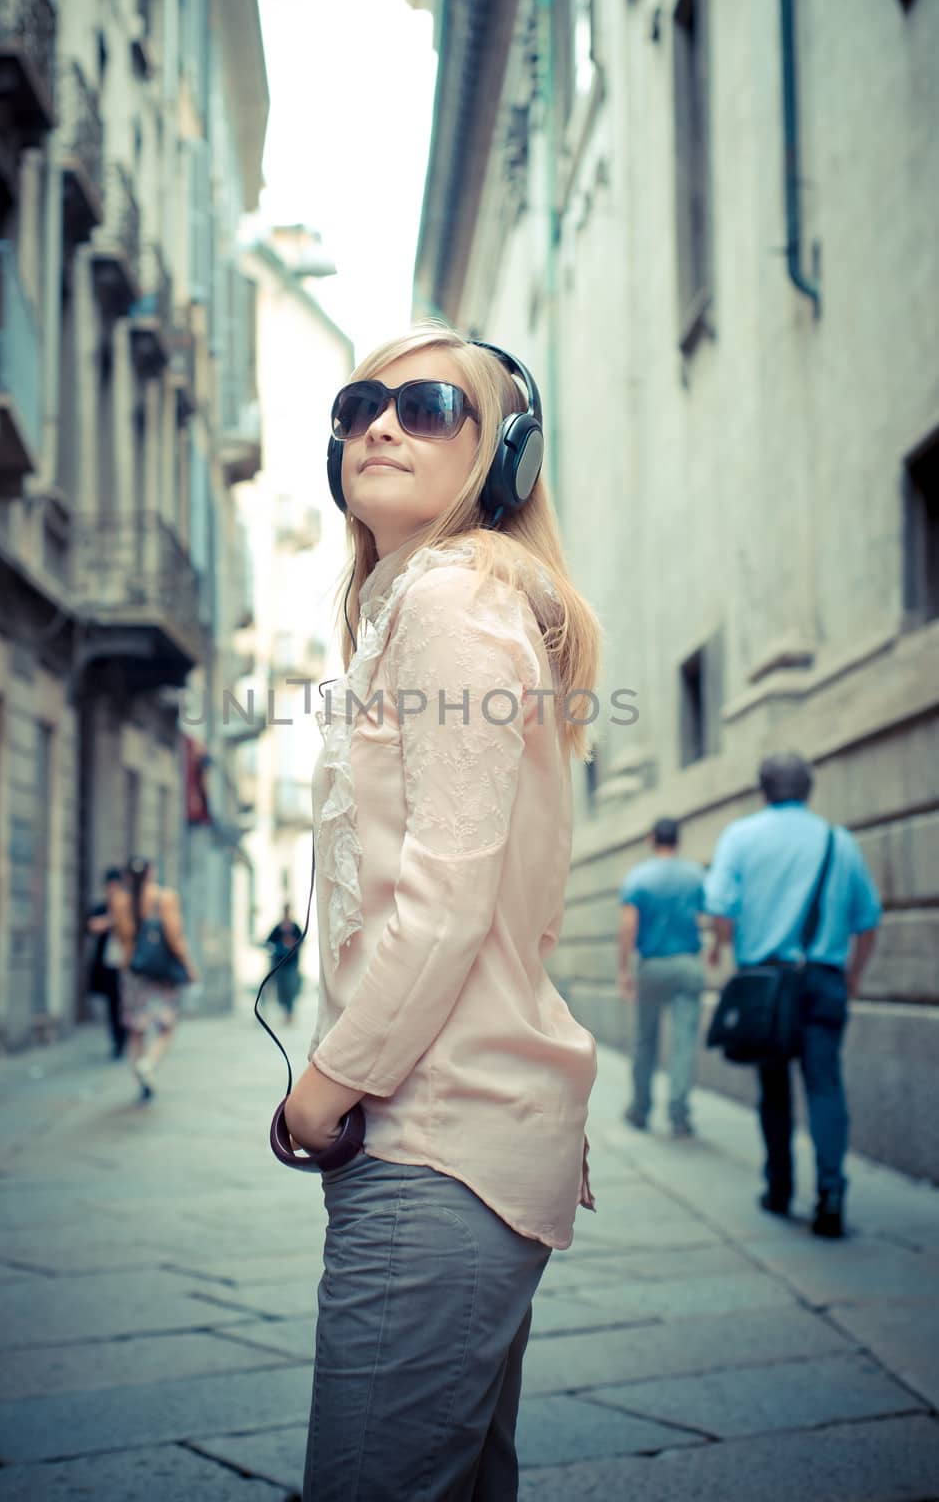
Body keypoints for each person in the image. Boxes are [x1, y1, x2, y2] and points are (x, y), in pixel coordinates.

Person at [282, 323, 601, 1501]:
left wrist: (327, 1084)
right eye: (361, 402)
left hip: (433, 1144)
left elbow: (447, 896)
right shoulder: (427, 606)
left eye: (427, 407)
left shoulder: (453, 601)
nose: (378, 423)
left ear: (501, 457)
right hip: (452, 1137)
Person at [705, 751, 882, 1238]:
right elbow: (867, 920)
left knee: (774, 1087)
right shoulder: (839, 841)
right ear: (809, 790)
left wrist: (724, 949)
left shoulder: (740, 836)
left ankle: (779, 1187)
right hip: (824, 978)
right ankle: (831, 1192)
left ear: (763, 790)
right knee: (826, 1083)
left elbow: (721, 906)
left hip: (765, 981)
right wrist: (852, 975)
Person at [618, 817, 707, 1138]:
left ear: (651, 839)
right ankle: (679, 1114)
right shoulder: (695, 874)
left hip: (652, 966)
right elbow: (710, 914)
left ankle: (640, 1110)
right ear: (678, 840)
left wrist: (624, 970)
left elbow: (628, 927)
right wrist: (717, 949)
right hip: (687, 963)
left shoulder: (638, 877)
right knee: (684, 1043)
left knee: (645, 1040)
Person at [110, 856, 199, 1103]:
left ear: (127, 876)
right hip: (161, 975)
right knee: (166, 1026)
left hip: (131, 973)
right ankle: (148, 1064)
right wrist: (189, 966)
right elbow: (174, 937)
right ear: (151, 872)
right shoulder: (165, 898)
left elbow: (121, 938)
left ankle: (140, 1072)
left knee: (136, 1030)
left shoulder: (119, 901)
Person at [85, 867, 127, 1059]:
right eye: (110, 886)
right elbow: (92, 926)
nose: (112, 890)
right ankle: (117, 1041)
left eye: (115, 886)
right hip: (109, 964)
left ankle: (126, 1038)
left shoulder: (129, 908)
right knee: (113, 1004)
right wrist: (113, 920)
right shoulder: (103, 907)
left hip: (127, 964)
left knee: (126, 1004)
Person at [264, 904, 303, 1023]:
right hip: (279, 964)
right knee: (281, 990)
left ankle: (289, 1014)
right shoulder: (278, 927)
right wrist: (280, 946)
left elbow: (301, 942)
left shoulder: (295, 927)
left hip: (291, 965)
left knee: (290, 989)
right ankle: (285, 1013)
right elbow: (268, 942)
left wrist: (293, 945)